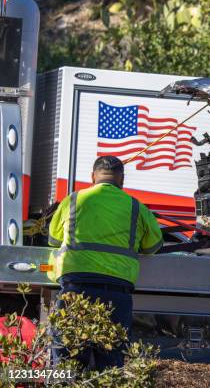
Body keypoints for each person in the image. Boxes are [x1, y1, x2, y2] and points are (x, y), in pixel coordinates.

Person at [47, 155, 163, 370]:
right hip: (116, 292)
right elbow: (152, 246)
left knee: (67, 360)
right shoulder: (136, 207)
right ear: (122, 179)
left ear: (93, 176)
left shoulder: (73, 199)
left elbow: (53, 239)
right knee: (109, 361)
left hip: (75, 288)